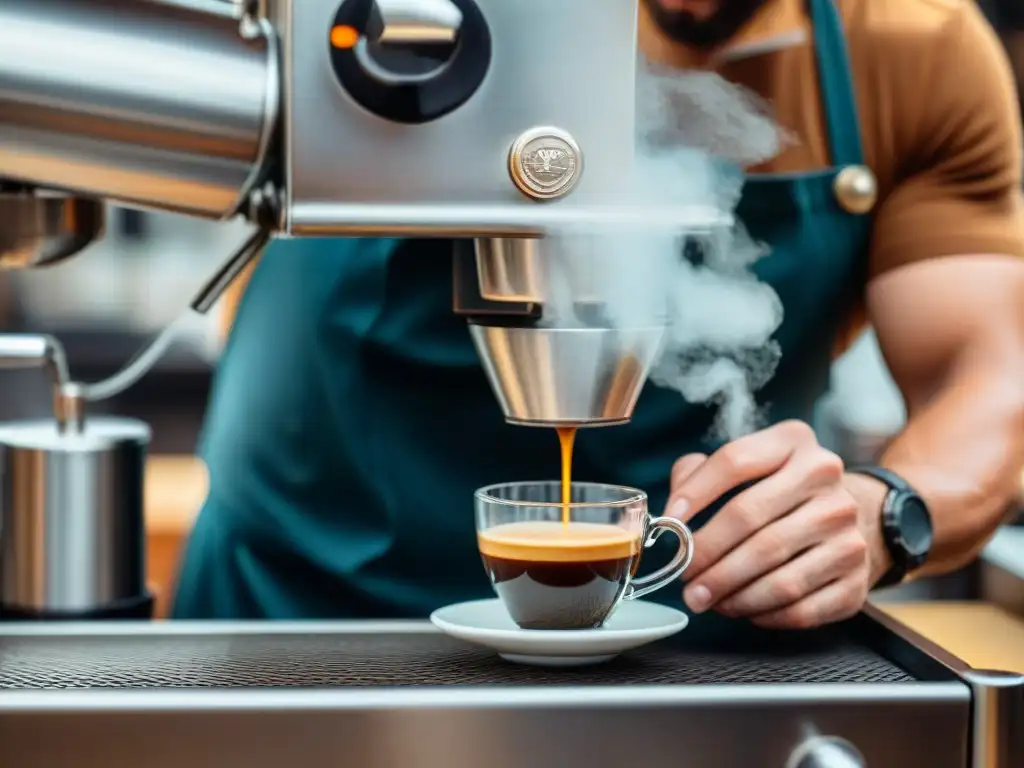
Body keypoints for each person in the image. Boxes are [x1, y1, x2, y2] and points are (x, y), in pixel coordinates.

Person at [173, 0, 1024, 630]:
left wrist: (883, 514)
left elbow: (986, 384)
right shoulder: (374, 18)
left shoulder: (915, 52)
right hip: (294, 611)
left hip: (676, 638)